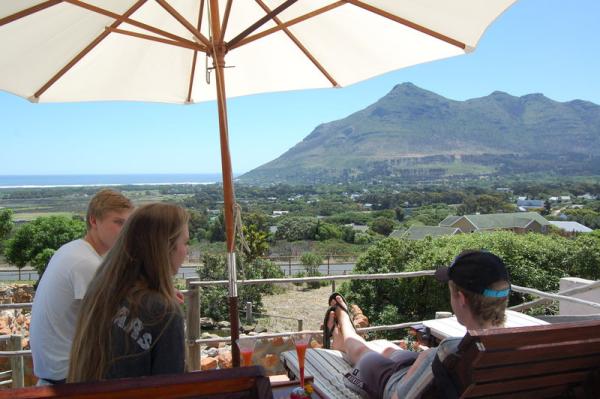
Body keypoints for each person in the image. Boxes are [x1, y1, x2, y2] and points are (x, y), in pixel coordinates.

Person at [325, 250, 510, 399]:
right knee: (390, 351)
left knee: (365, 356)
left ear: (461, 299)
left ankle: (343, 321)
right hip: (430, 376)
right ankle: (347, 340)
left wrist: (425, 358)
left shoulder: (448, 353)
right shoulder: (524, 349)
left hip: (401, 385)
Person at [68, 203, 189, 382]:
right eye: (185, 242)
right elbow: (172, 389)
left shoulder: (101, 290)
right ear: (166, 248)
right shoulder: (163, 312)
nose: (186, 251)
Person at [30, 189, 133, 385]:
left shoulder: (74, 249)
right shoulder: (85, 263)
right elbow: (119, 318)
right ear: (94, 221)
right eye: (118, 222)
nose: (125, 231)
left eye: (128, 224)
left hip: (55, 368)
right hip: (68, 373)